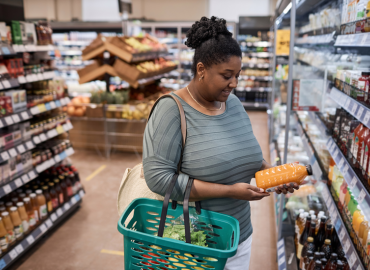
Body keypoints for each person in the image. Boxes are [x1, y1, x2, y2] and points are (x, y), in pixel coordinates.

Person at [143, 16, 299, 270]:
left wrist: (270, 172)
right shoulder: (171, 110)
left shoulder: (234, 105)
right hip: (193, 242)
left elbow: (245, 155)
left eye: (237, 75)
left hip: (239, 235)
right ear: (201, 69)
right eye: (227, 75)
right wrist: (229, 191)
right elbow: (159, 179)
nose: (234, 84)